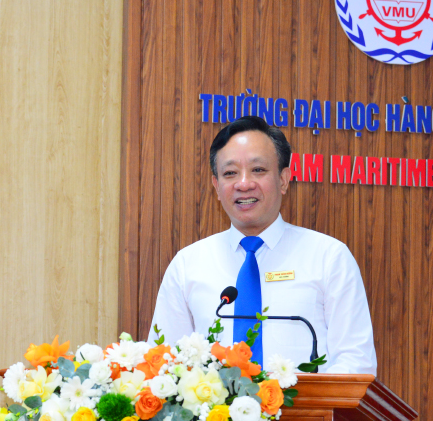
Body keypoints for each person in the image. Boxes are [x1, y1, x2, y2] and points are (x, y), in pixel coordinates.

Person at [148, 116, 377, 374]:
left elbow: (357, 363)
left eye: (258, 170)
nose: (244, 183)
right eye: (230, 173)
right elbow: (163, 365)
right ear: (216, 186)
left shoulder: (329, 257)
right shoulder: (188, 265)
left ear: (283, 179)